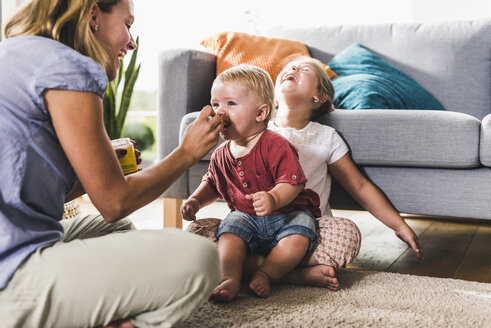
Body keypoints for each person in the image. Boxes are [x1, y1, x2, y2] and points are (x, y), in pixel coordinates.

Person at [0, 1, 222, 327]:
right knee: (200, 257)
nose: (131, 42)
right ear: (92, 15)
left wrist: (104, 165)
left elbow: (26, 187)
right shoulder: (68, 67)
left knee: (114, 232)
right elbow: (114, 202)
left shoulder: (15, 52)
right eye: (128, 24)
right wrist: (186, 153)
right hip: (9, 273)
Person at [186, 56, 421, 292]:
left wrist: (398, 225)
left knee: (348, 235)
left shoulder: (326, 137)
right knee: (195, 236)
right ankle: (292, 275)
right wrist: (195, 201)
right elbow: (214, 181)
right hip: (248, 231)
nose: (293, 68)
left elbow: (359, 186)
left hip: (301, 233)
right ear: (270, 100)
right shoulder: (246, 130)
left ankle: (254, 268)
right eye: (288, 67)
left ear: (318, 96)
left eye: (304, 68)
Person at [181, 64, 323, 302]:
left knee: (301, 231)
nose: (220, 112)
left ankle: (267, 274)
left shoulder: (275, 145)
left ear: (260, 113)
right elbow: (213, 184)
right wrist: (195, 200)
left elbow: (294, 182)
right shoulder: (220, 153)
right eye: (216, 104)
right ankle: (229, 279)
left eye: (230, 104)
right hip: (245, 218)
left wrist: (273, 198)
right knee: (229, 233)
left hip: (286, 215)